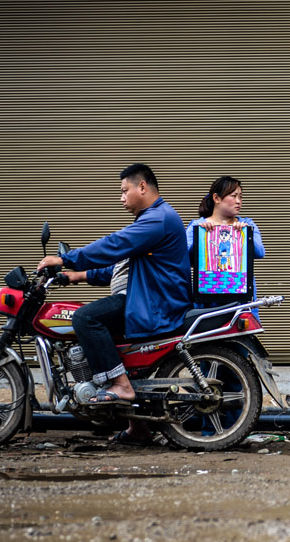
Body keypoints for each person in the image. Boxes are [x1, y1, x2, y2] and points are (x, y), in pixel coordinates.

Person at [37, 163, 190, 446]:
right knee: (115, 349)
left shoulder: (158, 219)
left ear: (142, 187)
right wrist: (75, 276)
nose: (121, 197)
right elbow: (118, 267)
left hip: (152, 303)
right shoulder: (150, 221)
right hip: (141, 299)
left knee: (84, 318)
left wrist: (67, 258)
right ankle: (139, 429)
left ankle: (120, 386)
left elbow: (114, 245)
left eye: (124, 190)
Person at [186, 176, 265, 319]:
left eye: (240, 196)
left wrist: (246, 234)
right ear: (216, 198)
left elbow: (260, 252)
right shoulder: (197, 226)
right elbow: (184, 257)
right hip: (207, 304)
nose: (238, 201)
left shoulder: (248, 224)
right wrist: (201, 237)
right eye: (234, 196)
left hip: (241, 302)